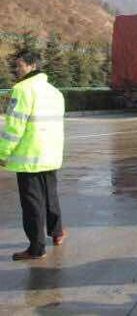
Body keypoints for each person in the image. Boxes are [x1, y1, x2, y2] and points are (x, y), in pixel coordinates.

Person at [0, 50, 66, 261]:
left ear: (32, 66)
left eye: (19, 65)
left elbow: (14, 127)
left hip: (30, 157)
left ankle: (36, 248)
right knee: (50, 196)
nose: (16, 70)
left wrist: (3, 152)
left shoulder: (22, 90)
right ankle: (57, 232)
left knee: (32, 204)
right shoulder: (55, 92)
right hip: (51, 154)